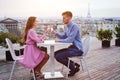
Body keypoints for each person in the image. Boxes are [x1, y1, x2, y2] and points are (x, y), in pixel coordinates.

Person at [51, 11, 83, 76]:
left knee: (59, 56)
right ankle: (73, 65)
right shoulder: (68, 27)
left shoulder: (74, 26)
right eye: (63, 18)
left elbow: (70, 40)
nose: (63, 19)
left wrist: (58, 40)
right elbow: (64, 36)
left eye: (64, 18)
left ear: (70, 18)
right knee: (54, 54)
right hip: (72, 48)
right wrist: (56, 33)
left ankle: (73, 68)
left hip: (77, 49)